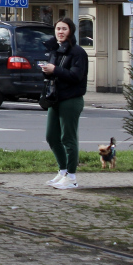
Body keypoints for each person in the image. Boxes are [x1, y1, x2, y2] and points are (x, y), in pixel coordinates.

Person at [41, 17, 89, 189]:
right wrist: (47, 71)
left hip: (71, 99)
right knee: (51, 136)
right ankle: (62, 171)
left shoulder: (78, 52)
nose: (60, 32)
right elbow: (54, 74)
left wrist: (56, 70)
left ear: (71, 31)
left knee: (68, 138)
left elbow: (76, 76)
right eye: (58, 29)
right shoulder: (56, 50)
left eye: (64, 29)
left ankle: (72, 177)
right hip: (56, 98)